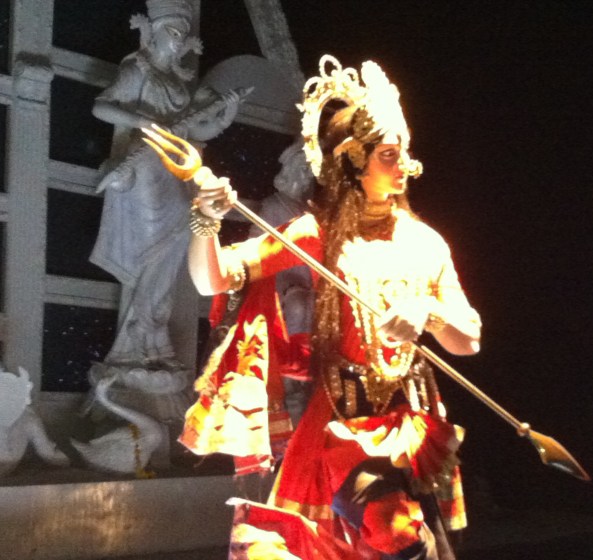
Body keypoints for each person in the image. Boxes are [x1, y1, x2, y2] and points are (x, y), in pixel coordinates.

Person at [176, 56, 481, 560]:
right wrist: (206, 220)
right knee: (393, 534)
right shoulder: (317, 233)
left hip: (410, 423)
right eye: (389, 154)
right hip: (339, 425)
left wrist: (428, 310)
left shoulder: (426, 243)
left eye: (405, 153)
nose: (404, 165)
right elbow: (214, 278)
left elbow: (468, 339)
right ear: (354, 159)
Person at [90, 0, 240, 370]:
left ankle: (150, 332)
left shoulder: (179, 84)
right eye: (173, 32)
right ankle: (137, 338)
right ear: (156, 33)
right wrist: (141, 121)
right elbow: (101, 107)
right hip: (143, 163)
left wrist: (227, 115)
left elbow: (198, 131)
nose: (179, 41)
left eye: (183, 35)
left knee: (178, 240)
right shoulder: (137, 70)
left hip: (174, 166)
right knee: (157, 244)